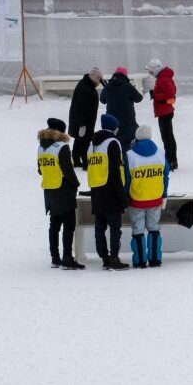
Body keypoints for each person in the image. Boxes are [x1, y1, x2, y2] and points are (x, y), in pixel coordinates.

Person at [37, 117, 84, 270]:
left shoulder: (41, 148)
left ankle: (55, 257)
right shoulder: (61, 147)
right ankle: (67, 257)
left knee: (54, 225)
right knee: (69, 225)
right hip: (63, 190)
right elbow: (68, 170)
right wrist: (76, 183)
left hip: (49, 191)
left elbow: (40, 170)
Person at [87, 113, 130, 270]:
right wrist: (122, 196)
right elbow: (115, 172)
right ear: (114, 128)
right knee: (114, 227)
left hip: (96, 189)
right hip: (111, 190)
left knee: (99, 226)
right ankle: (114, 258)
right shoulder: (113, 143)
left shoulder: (91, 144)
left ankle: (104, 257)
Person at [124, 124, 168, 268]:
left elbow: (126, 179)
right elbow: (165, 176)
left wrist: (125, 196)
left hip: (136, 199)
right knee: (154, 228)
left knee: (138, 229)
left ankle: (140, 260)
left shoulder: (130, 155)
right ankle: (155, 259)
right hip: (155, 197)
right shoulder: (160, 153)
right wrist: (164, 194)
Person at [68, 67, 104, 169]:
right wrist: (82, 124)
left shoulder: (85, 85)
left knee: (79, 140)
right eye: (99, 81)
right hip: (83, 122)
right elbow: (80, 108)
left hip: (80, 121)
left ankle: (76, 161)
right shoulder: (86, 89)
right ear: (95, 79)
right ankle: (85, 164)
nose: (99, 83)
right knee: (84, 142)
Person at [146, 59, 178, 171]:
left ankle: (170, 161)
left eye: (151, 71)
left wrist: (156, 96)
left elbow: (171, 92)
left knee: (167, 138)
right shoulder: (163, 78)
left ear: (156, 69)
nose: (150, 73)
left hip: (165, 111)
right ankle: (172, 160)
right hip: (165, 110)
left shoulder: (163, 79)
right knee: (169, 137)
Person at [100, 66, 142, 150]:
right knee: (129, 146)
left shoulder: (108, 87)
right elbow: (139, 98)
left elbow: (102, 100)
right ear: (125, 76)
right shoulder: (128, 87)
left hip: (113, 124)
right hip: (128, 123)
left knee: (115, 146)